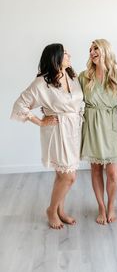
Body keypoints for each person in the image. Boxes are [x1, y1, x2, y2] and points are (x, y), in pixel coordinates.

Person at [11, 43, 84, 229]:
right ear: (55, 58)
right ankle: (52, 210)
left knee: (63, 175)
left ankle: (60, 209)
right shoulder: (42, 82)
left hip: (73, 129)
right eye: (65, 53)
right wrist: (41, 121)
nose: (69, 55)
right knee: (69, 176)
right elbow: (20, 105)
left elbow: (77, 102)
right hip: (57, 131)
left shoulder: (71, 76)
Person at [79, 39, 117, 225]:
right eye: (90, 49)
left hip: (113, 125)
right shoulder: (84, 76)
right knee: (96, 169)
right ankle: (101, 207)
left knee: (113, 173)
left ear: (105, 50)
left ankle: (111, 206)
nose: (92, 52)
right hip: (92, 125)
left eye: (96, 48)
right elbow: (69, 98)